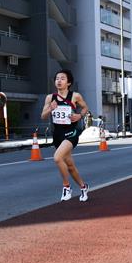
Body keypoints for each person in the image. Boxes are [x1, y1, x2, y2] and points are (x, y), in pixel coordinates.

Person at [40, 69, 90, 202]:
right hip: (57, 134)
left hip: (71, 132)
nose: (59, 81)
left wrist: (79, 115)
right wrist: (50, 108)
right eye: (57, 78)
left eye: (62, 78)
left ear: (68, 82)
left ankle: (66, 187)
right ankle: (83, 186)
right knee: (70, 166)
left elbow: (85, 108)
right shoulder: (50, 98)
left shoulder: (75, 96)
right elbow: (43, 116)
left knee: (57, 158)